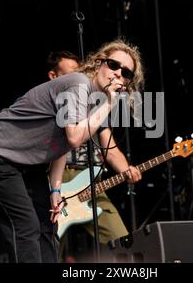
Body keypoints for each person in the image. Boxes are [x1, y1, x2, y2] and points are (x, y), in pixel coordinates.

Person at [0, 39, 144, 263]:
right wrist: (110, 103)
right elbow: (72, 137)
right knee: (26, 225)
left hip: (26, 162)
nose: (118, 74)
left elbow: (60, 145)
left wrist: (55, 189)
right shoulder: (79, 84)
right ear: (99, 63)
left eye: (126, 73)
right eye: (113, 65)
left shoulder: (93, 99)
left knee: (48, 223)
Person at [45, 50, 139, 261]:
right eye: (69, 73)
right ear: (53, 76)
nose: (76, 78)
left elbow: (111, 149)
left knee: (122, 241)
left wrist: (126, 170)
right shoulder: (52, 100)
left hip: (92, 181)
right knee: (50, 249)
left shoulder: (94, 103)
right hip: (60, 178)